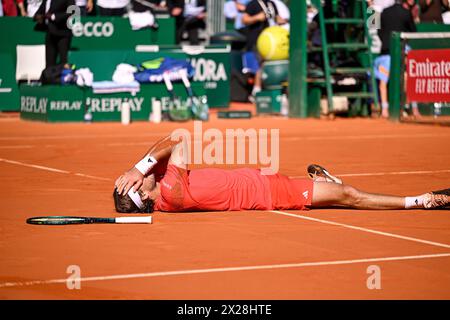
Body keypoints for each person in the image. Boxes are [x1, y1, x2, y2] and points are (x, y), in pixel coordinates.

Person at [113, 135, 449, 213]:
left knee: (334, 191)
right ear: (141, 193)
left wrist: (136, 174)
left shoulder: (161, 197)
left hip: (265, 181)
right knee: (349, 195)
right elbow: (179, 138)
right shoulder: (170, 188)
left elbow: (163, 153)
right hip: (273, 195)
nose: (141, 174)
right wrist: (136, 167)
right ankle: (421, 201)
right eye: (136, 183)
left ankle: (323, 184)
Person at [375, 0, 417, 118]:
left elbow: (378, 31)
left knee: (383, 80)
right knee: (406, 77)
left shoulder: (383, 12)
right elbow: (413, 32)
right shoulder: (405, 13)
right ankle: (410, 108)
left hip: (385, 51)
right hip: (402, 50)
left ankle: (384, 109)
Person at [241, 0, 286, 100]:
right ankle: (255, 91)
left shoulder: (271, 4)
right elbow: (244, 19)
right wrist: (257, 17)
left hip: (272, 41)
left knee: (269, 64)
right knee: (258, 65)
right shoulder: (253, 4)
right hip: (257, 39)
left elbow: (277, 18)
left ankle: (274, 91)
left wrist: (283, 21)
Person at [34, 0, 75, 68]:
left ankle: (63, 77)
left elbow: (72, 11)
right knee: (49, 63)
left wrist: (54, 16)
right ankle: (50, 77)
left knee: (63, 62)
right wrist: (38, 17)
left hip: (62, 33)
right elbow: (39, 12)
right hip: (50, 33)